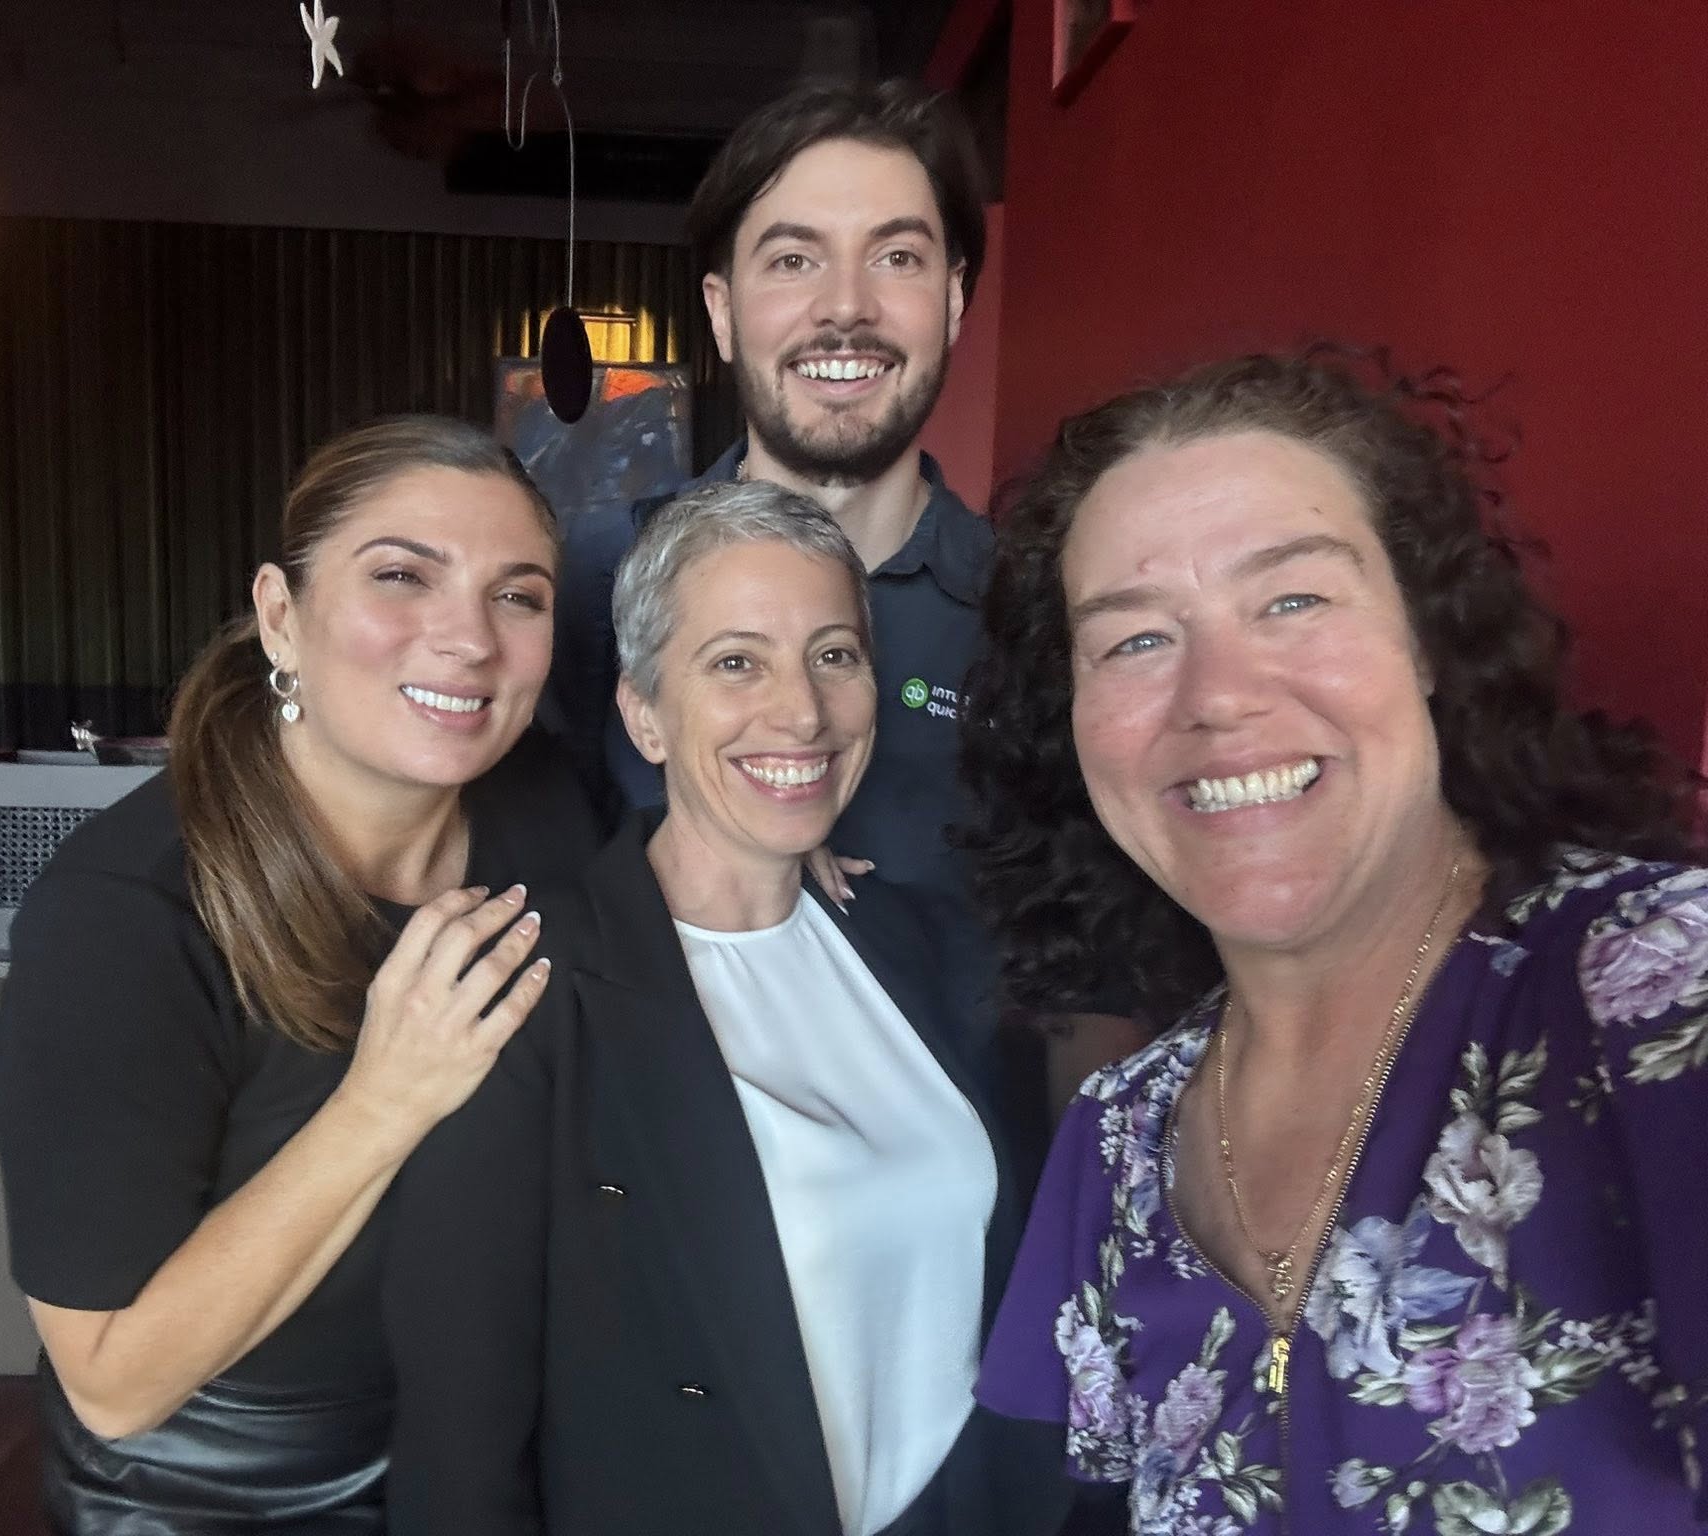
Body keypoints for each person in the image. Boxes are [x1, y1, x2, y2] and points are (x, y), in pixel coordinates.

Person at [961, 350, 1708, 1532]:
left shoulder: (1652, 991)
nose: (1216, 694)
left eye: (1291, 601)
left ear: (1425, 638)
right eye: (1134, 640)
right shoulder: (1117, 1137)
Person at [384, 480, 1071, 1536]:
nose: (802, 712)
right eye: (736, 662)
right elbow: (459, 1446)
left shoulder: (912, 941)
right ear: (644, 714)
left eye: (834, 655)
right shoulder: (528, 986)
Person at [0, 416, 601, 1533]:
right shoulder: (123, 917)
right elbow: (113, 1382)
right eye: (402, 576)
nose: (469, 638)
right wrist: (387, 1097)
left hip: (488, 1446)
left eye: (518, 596)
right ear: (280, 615)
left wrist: (778, 847)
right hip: (224, 1490)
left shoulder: (549, 814)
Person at [554, 74, 1141, 1108]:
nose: (844, 306)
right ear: (722, 311)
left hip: (965, 1198)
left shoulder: (1039, 612)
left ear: (952, 300)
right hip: (648, 1181)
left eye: (896, 257)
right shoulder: (593, 582)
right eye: (793, 259)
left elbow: (1093, 987)